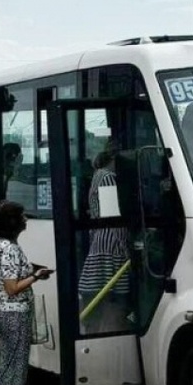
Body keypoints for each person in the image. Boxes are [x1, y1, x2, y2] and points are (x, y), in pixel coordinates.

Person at [0, 201, 52, 385]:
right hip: (14, 312)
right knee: (14, 370)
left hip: (0, 310)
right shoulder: (10, 249)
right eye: (22, 216)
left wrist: (27, 269)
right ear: (13, 223)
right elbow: (12, 287)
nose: (26, 220)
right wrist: (35, 276)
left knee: (7, 367)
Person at [77, 139, 135, 334]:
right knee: (115, 300)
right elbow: (112, 216)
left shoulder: (97, 175)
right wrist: (126, 247)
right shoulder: (109, 177)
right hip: (111, 244)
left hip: (100, 240)